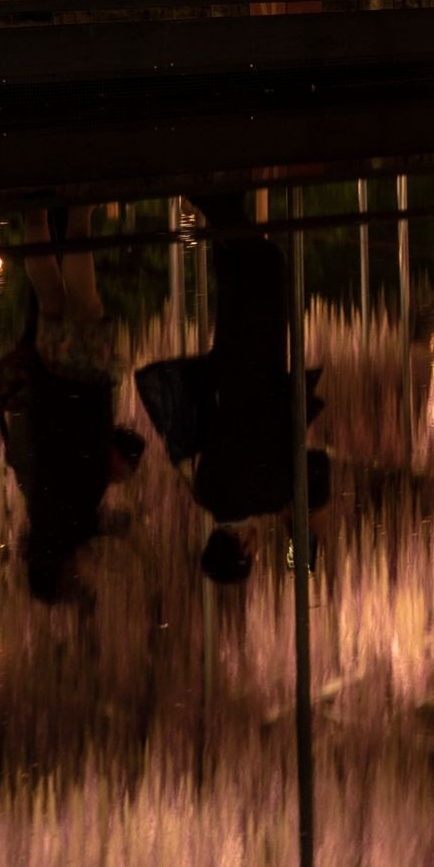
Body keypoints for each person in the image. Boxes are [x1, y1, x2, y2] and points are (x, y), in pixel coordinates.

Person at [134, 190, 329, 585]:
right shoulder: (205, 492)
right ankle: (221, 195)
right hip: (226, 365)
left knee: (268, 264)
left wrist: (302, 520)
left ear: (243, 548)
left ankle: (212, 194)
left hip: (263, 364)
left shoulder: (270, 495)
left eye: (252, 555)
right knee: (237, 271)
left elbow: (316, 463)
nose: (257, 549)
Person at [0, 205, 145, 603]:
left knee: (83, 299)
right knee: (50, 296)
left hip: (82, 381)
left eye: (70, 580)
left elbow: (89, 446)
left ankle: (79, 212)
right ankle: (34, 217)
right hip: (49, 376)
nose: (78, 576)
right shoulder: (37, 509)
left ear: (58, 569)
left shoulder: (75, 520)